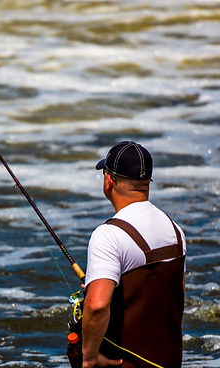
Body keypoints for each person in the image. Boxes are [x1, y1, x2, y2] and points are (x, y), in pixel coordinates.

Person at [82, 141, 187, 368]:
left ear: (109, 180)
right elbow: (173, 297)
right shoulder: (175, 231)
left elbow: (97, 305)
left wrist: (90, 357)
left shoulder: (108, 235)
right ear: (147, 182)